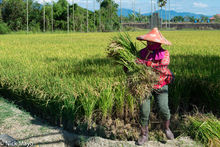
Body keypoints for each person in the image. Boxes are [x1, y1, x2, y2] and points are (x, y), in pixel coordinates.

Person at [135, 28, 175, 145]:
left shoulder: (165, 53)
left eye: (152, 41)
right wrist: (129, 66)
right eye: (148, 41)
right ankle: (144, 134)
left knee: (163, 108)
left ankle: (166, 128)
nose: (150, 43)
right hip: (144, 85)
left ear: (159, 43)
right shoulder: (141, 53)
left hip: (160, 84)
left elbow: (162, 67)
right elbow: (135, 67)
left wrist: (146, 63)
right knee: (144, 110)